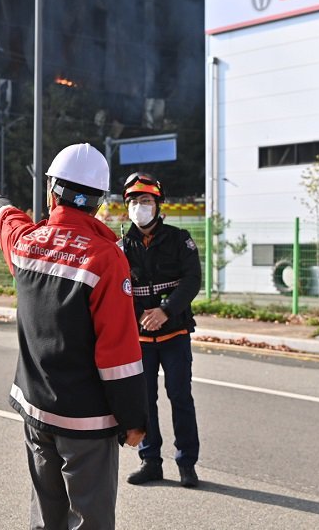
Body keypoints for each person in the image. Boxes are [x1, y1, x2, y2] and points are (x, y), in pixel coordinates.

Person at [0, 143, 147, 530]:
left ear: (52, 192)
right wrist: (134, 419)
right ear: (98, 203)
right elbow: (118, 352)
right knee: (90, 521)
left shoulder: (28, 244)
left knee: (46, 516)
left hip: (36, 411)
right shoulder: (106, 258)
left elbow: (6, 221)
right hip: (86, 422)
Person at [120, 172, 202, 488]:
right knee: (145, 399)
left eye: (146, 201)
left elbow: (192, 280)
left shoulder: (180, 239)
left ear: (157, 205)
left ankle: (186, 464)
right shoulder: (121, 246)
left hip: (175, 334)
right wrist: (143, 315)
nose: (140, 207)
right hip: (140, 337)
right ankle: (150, 461)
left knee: (180, 397)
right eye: (134, 202)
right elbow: (118, 290)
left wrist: (165, 311)